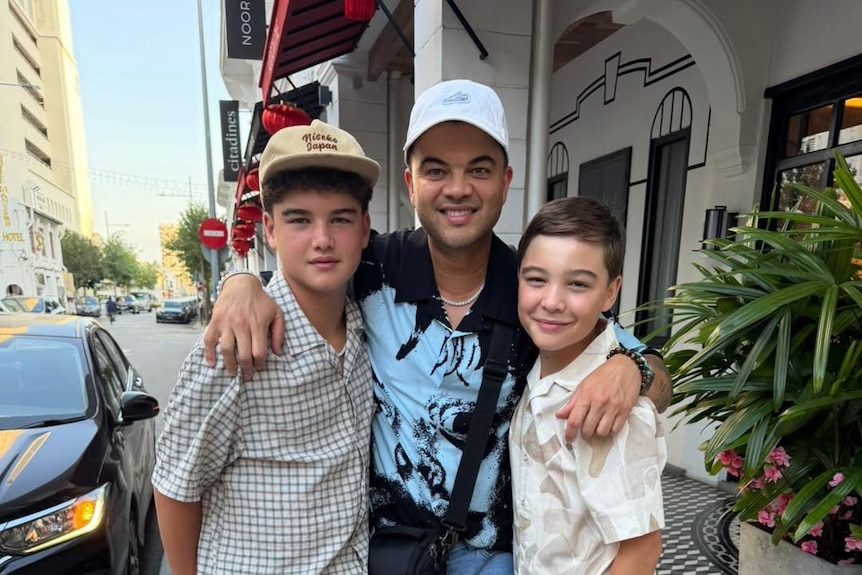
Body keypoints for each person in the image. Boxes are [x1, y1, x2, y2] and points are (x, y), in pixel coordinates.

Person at [206, 79, 672, 574]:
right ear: (410, 183)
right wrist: (240, 281)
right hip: (386, 552)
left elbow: (654, 373)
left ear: (505, 181)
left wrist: (631, 372)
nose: (457, 188)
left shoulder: (533, 291)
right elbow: (306, 261)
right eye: (436, 169)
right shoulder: (371, 267)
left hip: (493, 559)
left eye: (478, 168)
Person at [151, 120, 378, 575]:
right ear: (270, 230)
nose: (322, 239)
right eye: (300, 220)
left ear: (365, 229)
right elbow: (176, 484)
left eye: (340, 218)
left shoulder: (366, 321)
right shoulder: (236, 344)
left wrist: (240, 278)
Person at [510, 197, 665, 574]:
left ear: (610, 292)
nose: (552, 301)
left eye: (578, 284)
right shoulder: (541, 366)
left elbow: (640, 553)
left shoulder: (611, 405)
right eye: (536, 279)